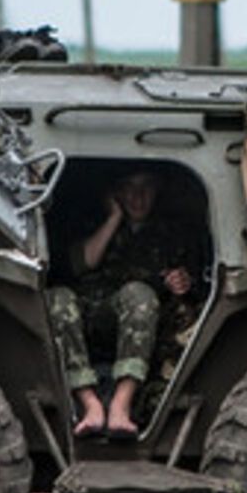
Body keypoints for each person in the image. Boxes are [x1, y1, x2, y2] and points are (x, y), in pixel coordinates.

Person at [47, 170, 199, 439]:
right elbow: (83, 262)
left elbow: (187, 285)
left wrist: (181, 282)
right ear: (114, 193)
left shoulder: (170, 233)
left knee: (139, 294)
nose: (138, 197)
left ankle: (121, 405)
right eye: (129, 188)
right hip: (84, 318)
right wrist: (114, 218)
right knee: (58, 299)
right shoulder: (87, 219)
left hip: (138, 330)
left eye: (146, 188)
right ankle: (89, 403)